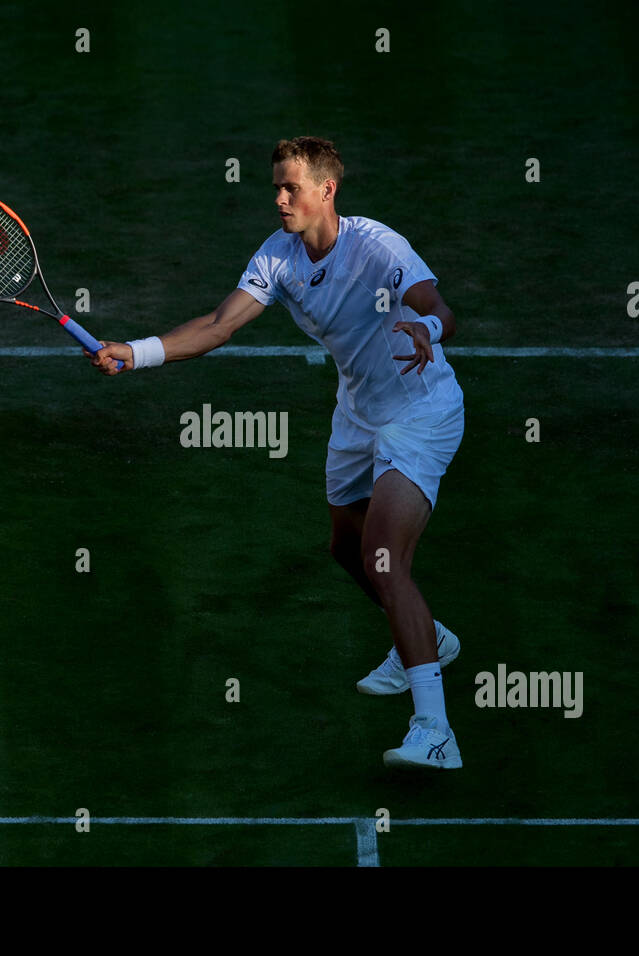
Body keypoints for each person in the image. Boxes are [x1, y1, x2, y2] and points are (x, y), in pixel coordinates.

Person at [90, 136, 466, 769]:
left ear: (327, 190)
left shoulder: (378, 247)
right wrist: (136, 352)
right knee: (346, 548)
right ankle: (428, 638)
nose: (280, 199)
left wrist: (425, 328)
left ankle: (435, 730)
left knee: (383, 558)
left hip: (420, 413)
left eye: (291, 188)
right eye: (276, 188)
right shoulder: (278, 255)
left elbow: (440, 309)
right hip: (357, 413)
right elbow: (219, 325)